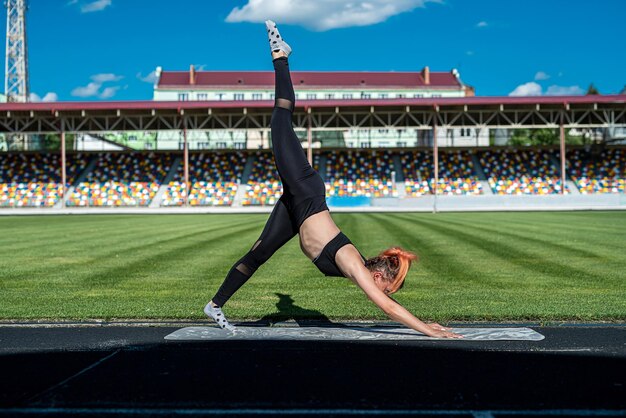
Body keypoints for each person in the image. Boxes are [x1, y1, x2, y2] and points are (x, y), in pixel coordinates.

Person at [204, 20, 463, 339]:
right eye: (389, 287)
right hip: (304, 191)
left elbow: (388, 303)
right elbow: (387, 308)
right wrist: (429, 331)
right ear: (379, 276)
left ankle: (214, 305)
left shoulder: (356, 264)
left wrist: (427, 324)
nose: (387, 293)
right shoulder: (353, 264)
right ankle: (280, 56)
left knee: (258, 254)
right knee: (281, 117)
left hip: (298, 211)